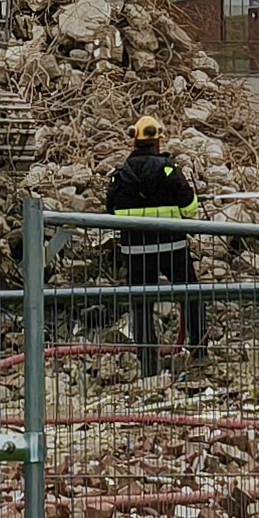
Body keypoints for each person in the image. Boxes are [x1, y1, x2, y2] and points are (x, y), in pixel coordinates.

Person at [106, 115, 203, 376]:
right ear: (158, 141)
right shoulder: (171, 171)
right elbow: (190, 209)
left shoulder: (120, 176)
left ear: (135, 141)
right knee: (191, 296)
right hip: (172, 248)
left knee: (141, 305)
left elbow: (110, 212)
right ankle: (200, 353)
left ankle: (148, 363)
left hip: (135, 252)